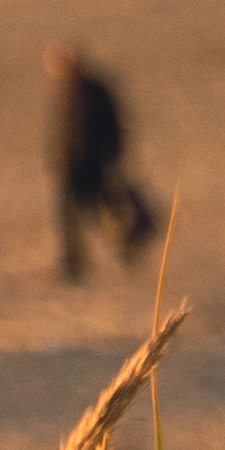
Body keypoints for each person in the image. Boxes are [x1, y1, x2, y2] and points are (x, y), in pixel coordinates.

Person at [45, 45, 158, 278]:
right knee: (69, 215)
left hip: (93, 164)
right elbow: (64, 132)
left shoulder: (96, 90)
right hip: (71, 164)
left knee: (99, 213)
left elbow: (112, 129)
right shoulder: (69, 89)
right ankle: (72, 264)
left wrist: (114, 160)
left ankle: (127, 246)